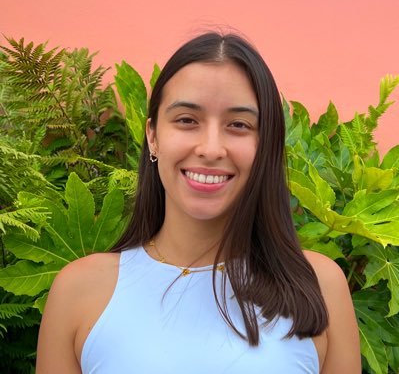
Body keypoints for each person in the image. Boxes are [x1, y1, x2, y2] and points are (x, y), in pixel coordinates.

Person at [36, 32, 360, 373]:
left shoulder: (319, 286)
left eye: (238, 124)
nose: (210, 148)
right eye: (187, 120)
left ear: (265, 145)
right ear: (153, 136)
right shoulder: (78, 291)